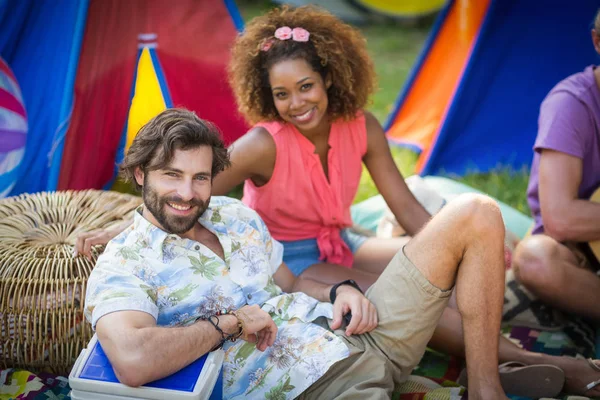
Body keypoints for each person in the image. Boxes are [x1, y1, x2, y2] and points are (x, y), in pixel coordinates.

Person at [77, 6, 600, 396]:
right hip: (298, 260)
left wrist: (452, 258)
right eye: (283, 94)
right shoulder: (261, 145)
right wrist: (125, 225)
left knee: (431, 278)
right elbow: (190, 188)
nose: (296, 102)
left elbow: (407, 210)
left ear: (330, 75)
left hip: (335, 249)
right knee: (408, 303)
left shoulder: (358, 131)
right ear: (267, 96)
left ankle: (488, 376)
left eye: (306, 86)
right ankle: (500, 363)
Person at [85, 108, 510, 399]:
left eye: (200, 178)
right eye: (171, 176)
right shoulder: (125, 263)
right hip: (315, 386)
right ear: (141, 174)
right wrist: (228, 323)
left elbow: (292, 283)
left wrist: (339, 291)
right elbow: (133, 360)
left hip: (366, 331)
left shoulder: (234, 215)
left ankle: (487, 388)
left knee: (476, 213)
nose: (187, 193)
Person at [512, 9, 600, 323]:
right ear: (597, 42)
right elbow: (561, 219)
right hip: (578, 254)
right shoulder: (570, 105)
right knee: (536, 260)